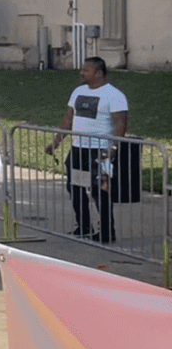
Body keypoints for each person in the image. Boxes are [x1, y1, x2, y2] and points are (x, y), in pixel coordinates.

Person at [45, 56, 128, 243]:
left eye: (86, 70)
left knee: (100, 191)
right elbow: (68, 119)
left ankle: (107, 231)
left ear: (98, 73)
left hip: (99, 151)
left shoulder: (114, 95)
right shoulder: (78, 92)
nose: (81, 73)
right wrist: (56, 142)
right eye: (82, 69)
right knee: (75, 188)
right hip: (78, 150)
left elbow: (120, 126)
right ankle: (83, 226)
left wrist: (112, 150)